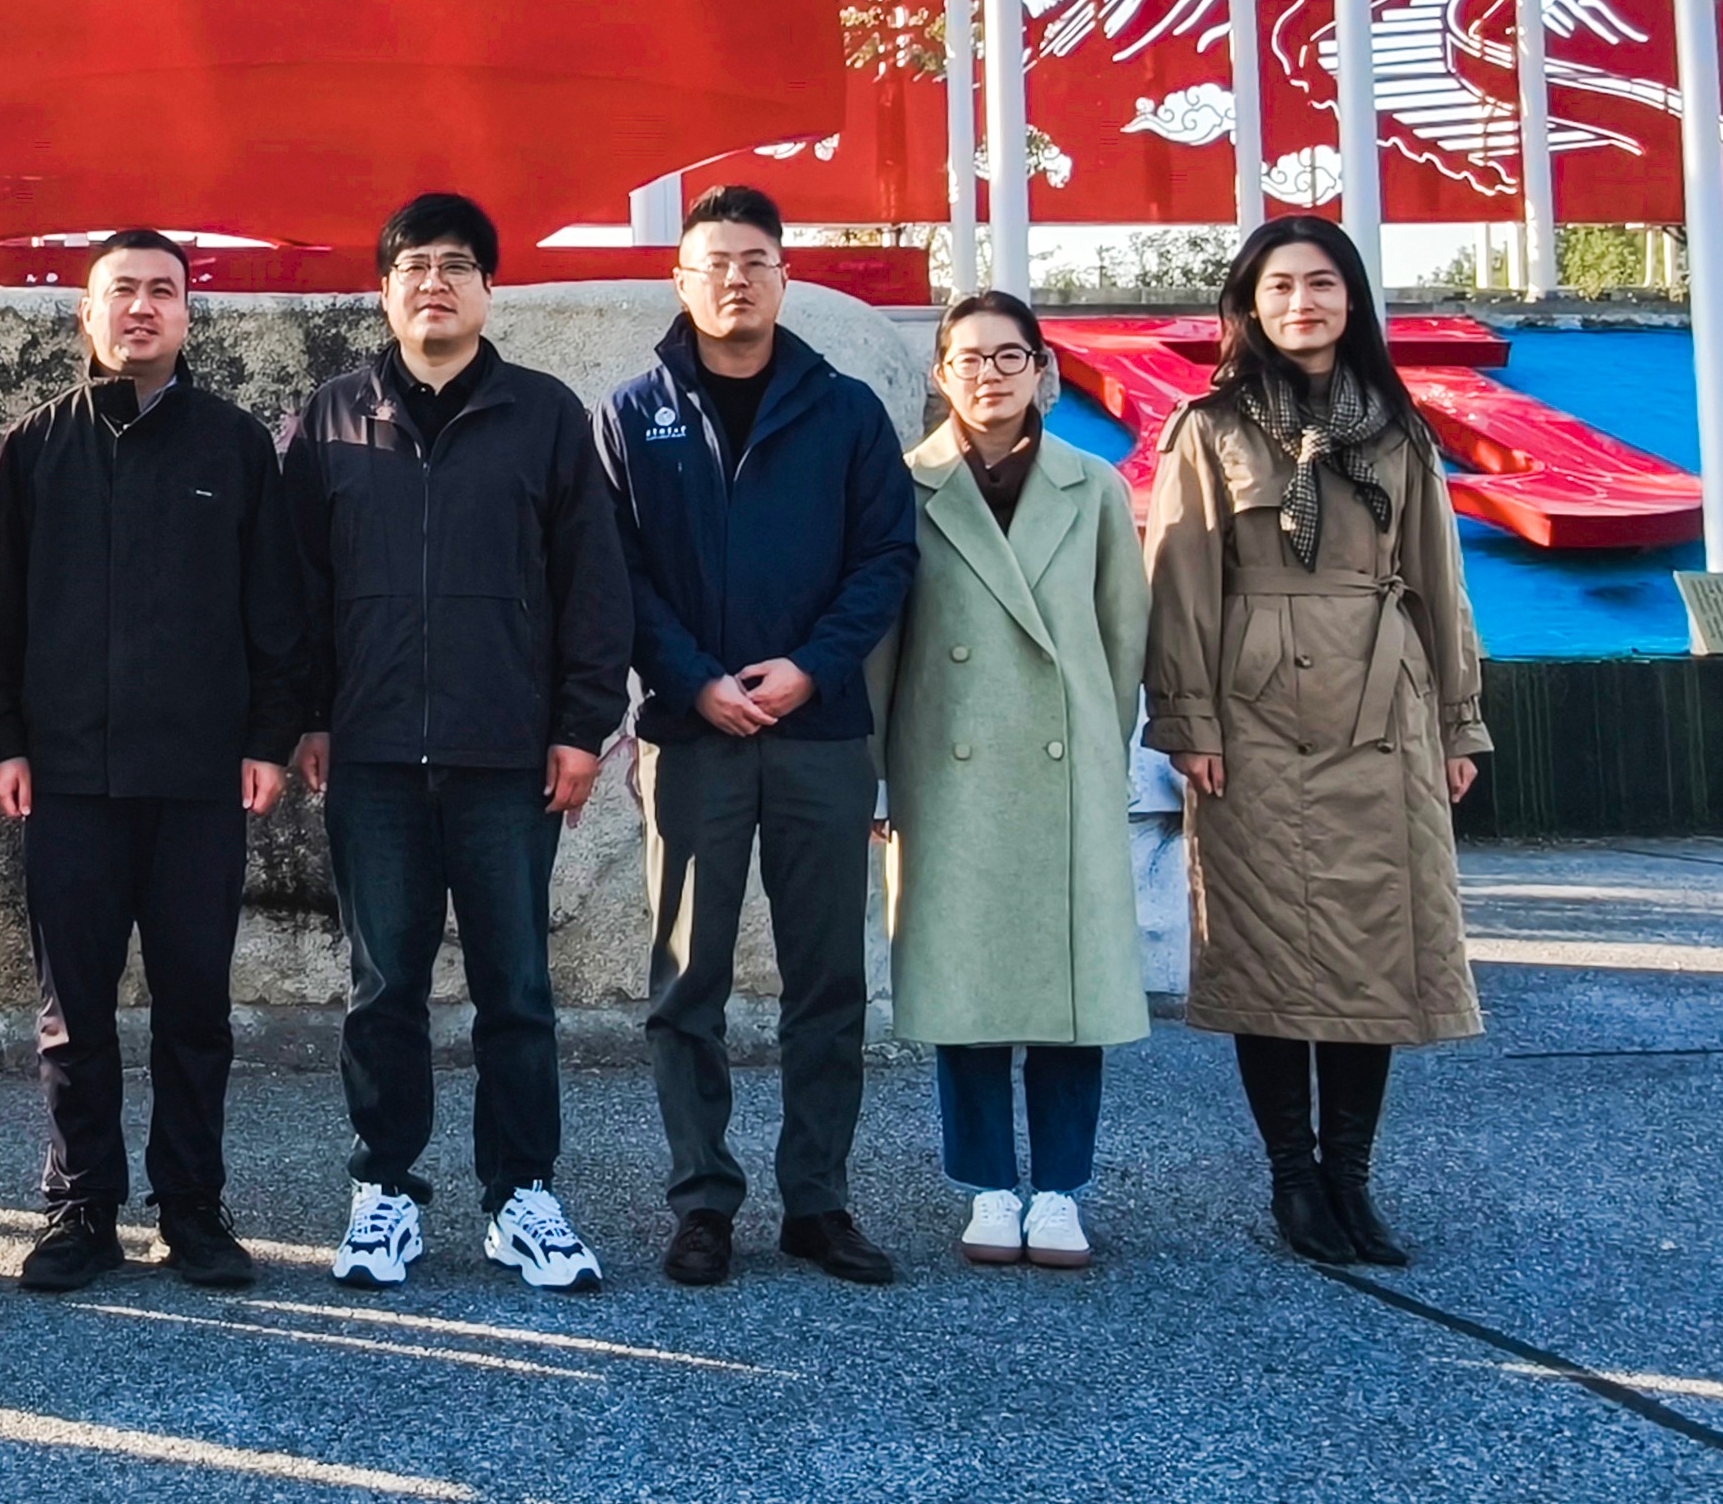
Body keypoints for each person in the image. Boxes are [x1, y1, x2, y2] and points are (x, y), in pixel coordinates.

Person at [285, 193, 632, 1295]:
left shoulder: (545, 415)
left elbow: (593, 583)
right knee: (382, 985)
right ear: (383, 291)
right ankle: (383, 1187)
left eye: (455, 264)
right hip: (375, 754)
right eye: (412, 266)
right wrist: (307, 714)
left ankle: (520, 1193)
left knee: (514, 987)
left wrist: (579, 726)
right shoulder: (332, 416)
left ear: (490, 287)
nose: (432, 282)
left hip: (506, 756)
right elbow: (294, 588)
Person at [1144, 213, 1490, 1270]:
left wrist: (1457, 719)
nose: (1303, 302)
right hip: (1256, 718)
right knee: (1266, 946)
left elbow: (1438, 578)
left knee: (1372, 950)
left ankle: (1351, 1177)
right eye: (1282, 285)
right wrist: (1187, 721)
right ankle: (1292, 1179)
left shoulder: (1397, 425)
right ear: (1249, 304)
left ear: (1352, 299)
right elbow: (1179, 587)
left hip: (1384, 707)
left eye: (1323, 283)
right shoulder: (1210, 427)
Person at [0, 229, 306, 1296]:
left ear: (186, 314)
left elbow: (276, 605)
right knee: (71, 1011)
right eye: (121, 290)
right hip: (67, 777)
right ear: (87, 312)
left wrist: (266, 737)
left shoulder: (234, 444)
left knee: (194, 1006)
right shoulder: (36, 445)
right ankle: (80, 1207)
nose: (142, 308)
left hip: (200, 777)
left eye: (164, 290)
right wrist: (4, 738)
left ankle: (192, 1205)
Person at [596, 180, 917, 1289]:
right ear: (680, 280)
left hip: (821, 731)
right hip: (693, 737)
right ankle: (702, 1202)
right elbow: (616, 569)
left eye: (755, 261)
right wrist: (691, 680)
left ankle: (817, 1201)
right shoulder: (634, 412)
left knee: (827, 979)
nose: (736, 279)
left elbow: (886, 557)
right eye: (715, 262)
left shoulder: (844, 411)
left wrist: (809, 666)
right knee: (688, 979)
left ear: (785, 276)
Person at [886, 290, 1149, 1272]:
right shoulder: (903, 485)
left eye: (1009, 356)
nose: (988, 374)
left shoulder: (1095, 486)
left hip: (1064, 764)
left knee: (1069, 990)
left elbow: (1122, 634)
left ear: (1043, 369)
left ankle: (1063, 1187)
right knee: (965, 984)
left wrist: (1100, 748)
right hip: (946, 764)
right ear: (939, 372)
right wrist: (880, 776)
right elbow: (882, 645)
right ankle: (989, 1183)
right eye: (968, 357)